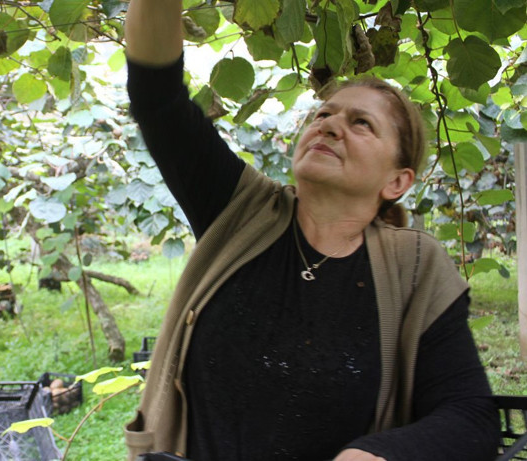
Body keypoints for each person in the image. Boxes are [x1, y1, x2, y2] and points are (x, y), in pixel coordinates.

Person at [122, 1, 500, 460]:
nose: (330, 125)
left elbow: (470, 416)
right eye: (323, 115)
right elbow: (157, 96)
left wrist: (374, 455)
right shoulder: (240, 208)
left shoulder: (415, 266)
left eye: (361, 123)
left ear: (397, 182)